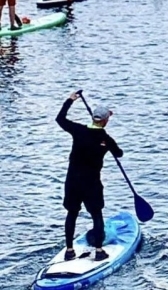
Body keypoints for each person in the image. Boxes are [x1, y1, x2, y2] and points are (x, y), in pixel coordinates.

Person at [56, 91, 123, 262]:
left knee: (72, 213)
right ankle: (99, 251)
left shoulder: (78, 130)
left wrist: (70, 100)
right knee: (96, 214)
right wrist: (107, 145)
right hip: (92, 183)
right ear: (106, 121)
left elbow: (60, 119)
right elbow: (119, 153)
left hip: (73, 182)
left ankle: (69, 250)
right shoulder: (106, 139)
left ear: (93, 118)